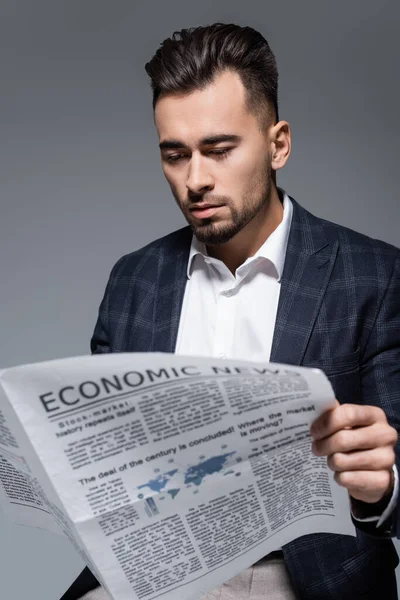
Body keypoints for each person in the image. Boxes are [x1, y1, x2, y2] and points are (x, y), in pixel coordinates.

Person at [61, 23, 400, 600]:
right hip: (157, 566)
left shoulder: (375, 275)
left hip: (300, 575)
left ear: (278, 144)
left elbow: (394, 468)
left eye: (219, 150)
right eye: (175, 155)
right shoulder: (133, 280)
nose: (196, 180)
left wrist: (382, 484)